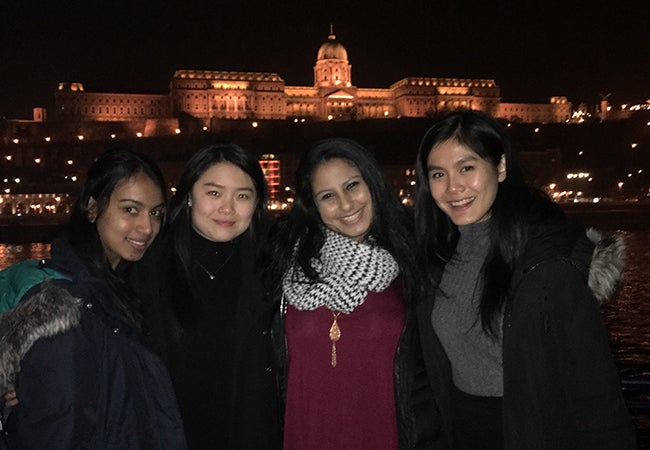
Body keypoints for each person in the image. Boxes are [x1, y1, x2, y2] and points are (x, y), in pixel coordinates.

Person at [413, 110, 636, 449]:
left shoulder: (548, 260)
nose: (453, 186)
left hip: (535, 434)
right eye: (438, 174)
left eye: (467, 167)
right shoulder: (436, 256)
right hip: (460, 435)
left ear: (500, 167)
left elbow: (595, 391)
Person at [0, 148, 187, 448]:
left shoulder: (122, 287)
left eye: (156, 213)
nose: (148, 227)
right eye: (130, 209)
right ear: (91, 208)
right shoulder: (64, 309)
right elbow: (58, 430)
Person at [270, 138, 443, 449]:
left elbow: (432, 376)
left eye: (352, 185)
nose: (346, 205)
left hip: (385, 436)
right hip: (305, 433)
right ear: (313, 205)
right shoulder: (283, 262)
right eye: (327, 196)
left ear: (373, 183)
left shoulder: (417, 261)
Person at [134, 144, 281, 449]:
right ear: (188, 195)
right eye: (214, 193)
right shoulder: (145, 266)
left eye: (242, 196)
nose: (227, 208)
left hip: (250, 434)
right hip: (167, 434)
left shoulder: (275, 269)